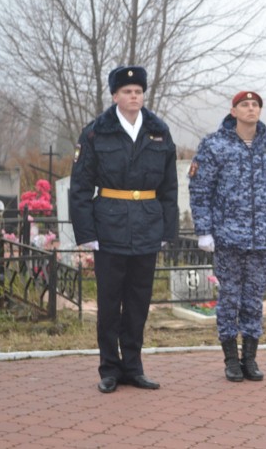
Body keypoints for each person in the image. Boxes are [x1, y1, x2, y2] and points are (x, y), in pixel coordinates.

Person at [70, 65, 178, 394]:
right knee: (109, 302)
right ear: (115, 96)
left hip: (147, 224)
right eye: (127, 91)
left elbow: (169, 187)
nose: (134, 96)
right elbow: (80, 187)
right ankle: (109, 368)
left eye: (138, 91)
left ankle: (133, 366)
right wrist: (87, 233)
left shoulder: (159, 131)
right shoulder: (95, 132)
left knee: (138, 302)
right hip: (109, 226)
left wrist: (167, 230)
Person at [189, 91, 266, 382]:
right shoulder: (214, 145)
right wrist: (204, 230)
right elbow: (200, 190)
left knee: (254, 300)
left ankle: (250, 358)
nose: (250, 109)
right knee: (229, 299)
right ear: (233, 111)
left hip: (261, 237)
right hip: (228, 236)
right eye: (244, 105)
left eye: (255, 105)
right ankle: (231, 359)